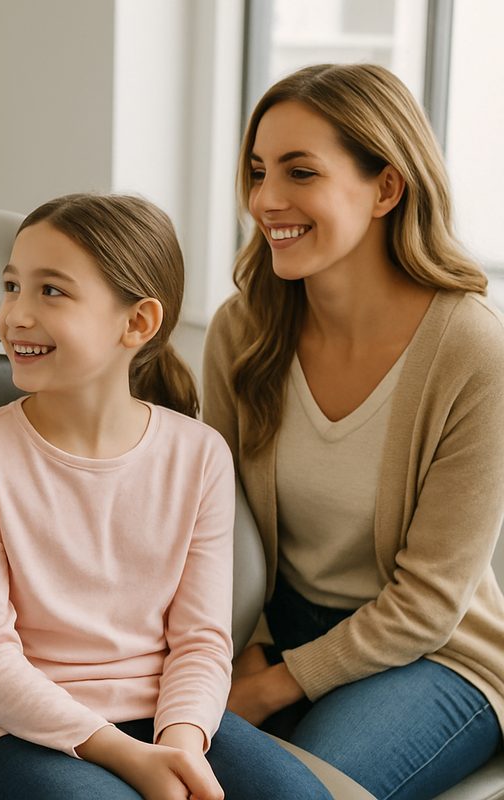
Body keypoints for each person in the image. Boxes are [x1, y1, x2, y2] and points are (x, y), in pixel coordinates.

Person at [0, 192, 332, 799]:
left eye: (51, 291)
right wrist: (125, 756)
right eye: (11, 286)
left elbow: (201, 641)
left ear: (138, 322)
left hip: (169, 717)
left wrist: (181, 742)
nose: (15, 315)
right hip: (14, 733)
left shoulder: (198, 455)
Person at [203, 62, 504, 799]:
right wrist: (241, 654)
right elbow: (210, 527)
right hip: (274, 632)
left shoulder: (473, 350)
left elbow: (429, 603)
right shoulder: (241, 330)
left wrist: (269, 690)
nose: (266, 200)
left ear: (386, 188)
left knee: (289, 791)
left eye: (300, 172)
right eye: (257, 171)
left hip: (432, 656)